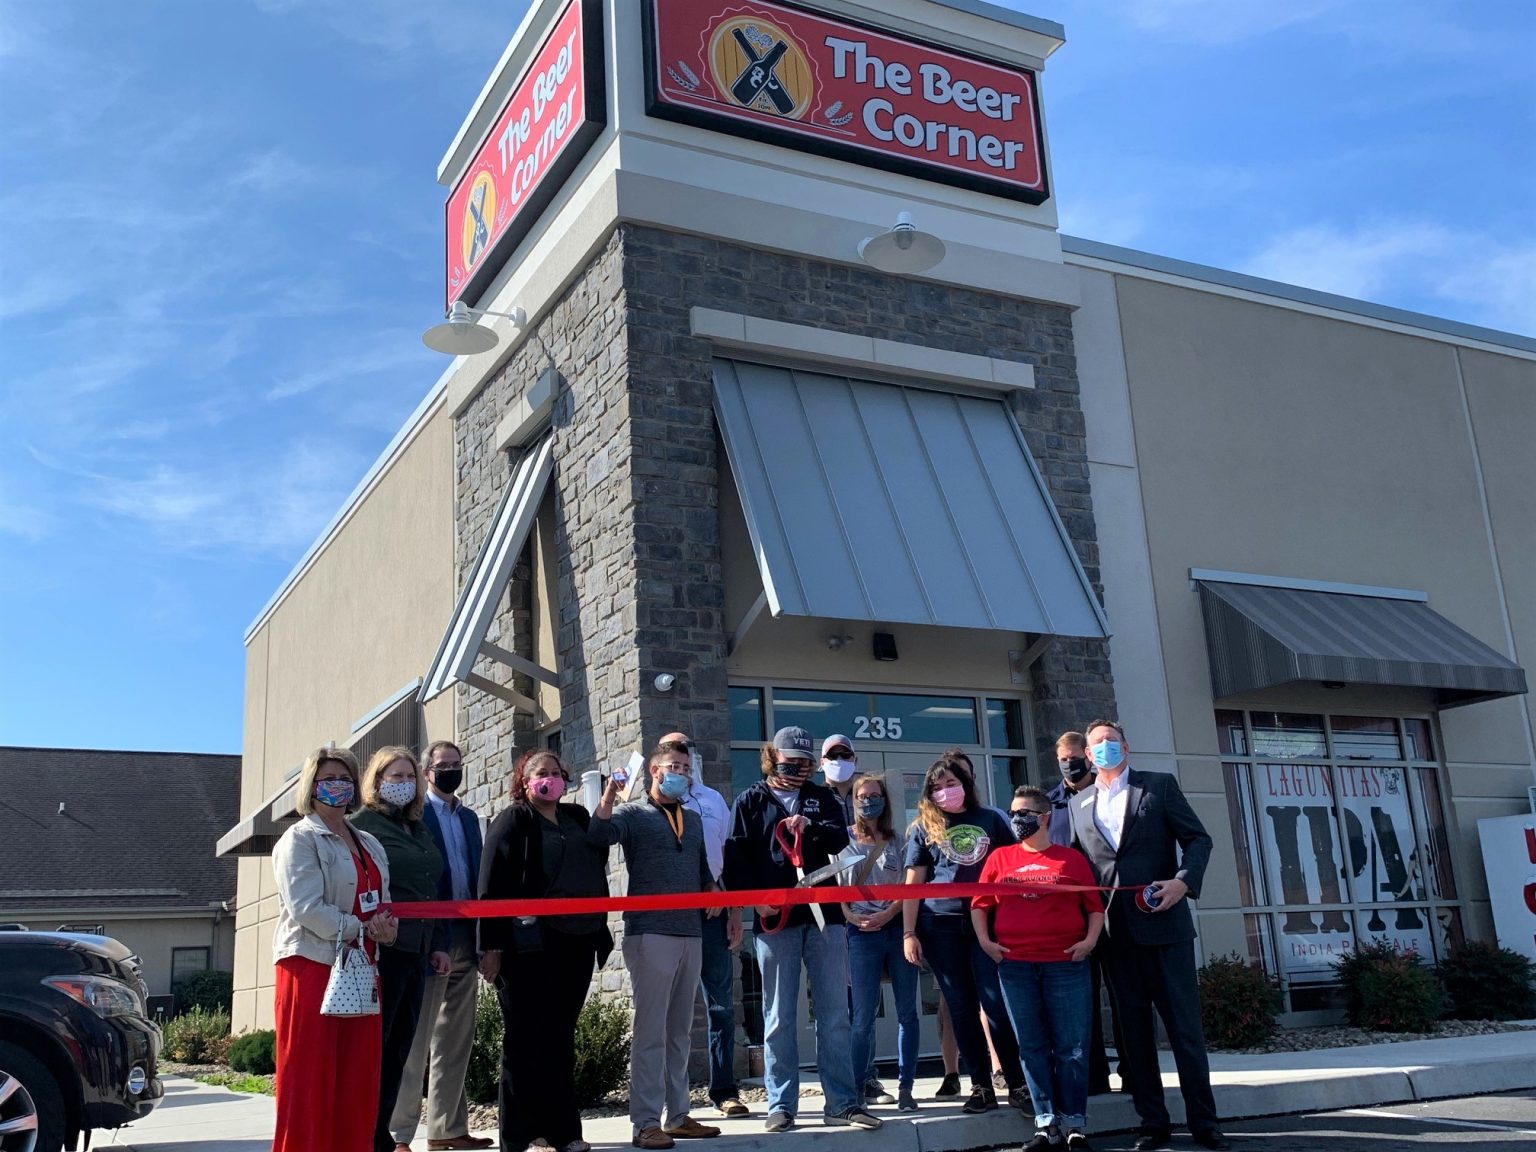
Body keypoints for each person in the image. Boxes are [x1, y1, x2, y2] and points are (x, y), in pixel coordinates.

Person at [1068, 721, 1227, 1152]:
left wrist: (1182, 882)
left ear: (1126, 746)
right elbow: (1081, 870)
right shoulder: (1079, 805)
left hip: (1165, 929)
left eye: (1111, 741)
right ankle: (1153, 1123)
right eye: (1096, 744)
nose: (1104, 749)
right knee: (1133, 1036)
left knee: (1184, 1032)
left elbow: (1198, 839)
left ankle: (1205, 1123)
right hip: (1115, 937)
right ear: (1086, 753)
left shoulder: (1158, 786)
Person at [721, 726, 881, 1133]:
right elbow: (735, 861)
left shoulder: (822, 797)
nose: (799, 769)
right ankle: (781, 1104)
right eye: (791, 762)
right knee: (778, 1016)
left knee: (833, 1015)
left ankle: (843, 1102)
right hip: (775, 923)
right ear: (772, 758)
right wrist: (755, 900)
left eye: (806, 763)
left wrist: (809, 827)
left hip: (824, 918)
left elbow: (841, 839)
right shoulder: (750, 801)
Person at [591, 741, 725, 1150]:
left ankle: (679, 1115)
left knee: (680, 1031)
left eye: (686, 767)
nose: (680, 773)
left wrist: (716, 892)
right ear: (653, 770)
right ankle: (645, 1122)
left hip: (691, 932)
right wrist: (610, 793)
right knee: (650, 1031)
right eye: (673, 766)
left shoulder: (695, 819)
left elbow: (705, 872)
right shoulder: (632, 814)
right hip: (650, 932)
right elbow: (597, 835)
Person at [479, 750, 614, 1152]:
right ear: (523, 780)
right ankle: (520, 1135)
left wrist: (608, 802)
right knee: (524, 1040)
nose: (550, 779)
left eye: (557, 773)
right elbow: (491, 882)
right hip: (527, 946)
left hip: (576, 941)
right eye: (542, 773)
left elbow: (598, 853)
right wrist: (490, 945)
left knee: (559, 1038)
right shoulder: (514, 819)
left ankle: (564, 1133)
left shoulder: (577, 817)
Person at [271, 746, 398, 1152]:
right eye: (329, 779)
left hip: (362, 967)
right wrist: (361, 927)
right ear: (311, 786)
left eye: (345, 778)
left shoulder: (370, 843)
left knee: (357, 1083)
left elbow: (384, 902)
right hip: (310, 965)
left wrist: (385, 929)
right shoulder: (299, 839)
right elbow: (307, 908)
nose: (339, 786)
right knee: (309, 1083)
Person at [974, 786, 1104, 1152]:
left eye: (1024, 814)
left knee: (1072, 1047)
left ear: (1044, 817)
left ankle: (1075, 1124)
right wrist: (985, 942)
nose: (1016, 821)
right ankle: (1046, 1123)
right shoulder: (1000, 858)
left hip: (1066, 964)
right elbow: (980, 904)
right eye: (1013, 813)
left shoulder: (1071, 860)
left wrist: (1090, 941)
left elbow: (1094, 906)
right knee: (1031, 1046)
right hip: (1015, 965)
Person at [901, 754, 1025, 1114]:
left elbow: (1011, 869)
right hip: (940, 927)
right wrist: (909, 932)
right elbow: (914, 883)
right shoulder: (925, 826)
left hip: (986, 923)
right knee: (960, 1008)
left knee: (995, 1005)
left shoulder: (990, 819)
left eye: (951, 784)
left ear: (966, 784)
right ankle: (981, 1086)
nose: (945, 792)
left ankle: (1016, 1082)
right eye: (936, 788)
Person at [390, 740, 492, 1152]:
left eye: (456, 764)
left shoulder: (469, 818)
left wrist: (488, 941)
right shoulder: (415, 816)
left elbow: (479, 876)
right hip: (432, 940)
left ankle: (447, 1129)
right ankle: (399, 1134)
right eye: (442, 765)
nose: (451, 770)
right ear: (426, 772)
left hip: (469, 937)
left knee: (455, 1040)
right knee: (416, 1041)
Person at [350, 747, 452, 1152]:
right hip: (381, 952)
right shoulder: (361, 826)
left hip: (417, 950)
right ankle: (363, 1131)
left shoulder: (419, 827)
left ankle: (381, 1134)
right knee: (375, 1047)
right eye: (395, 776)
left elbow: (432, 889)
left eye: (409, 776)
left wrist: (438, 943)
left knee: (399, 1051)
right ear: (376, 781)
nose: (404, 784)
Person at [661, 732, 749, 1120]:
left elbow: (728, 859)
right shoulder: (652, 804)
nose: (684, 760)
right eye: (675, 753)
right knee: (669, 1011)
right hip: (671, 919)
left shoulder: (713, 800)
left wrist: (733, 910)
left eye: (688, 751)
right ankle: (670, 1099)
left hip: (714, 916)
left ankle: (724, 1091)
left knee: (721, 1007)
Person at [840, 773, 919, 1112]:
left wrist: (887, 916)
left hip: (894, 929)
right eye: (862, 795)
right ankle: (857, 1090)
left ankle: (906, 1088)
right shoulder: (842, 842)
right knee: (862, 1017)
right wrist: (852, 917)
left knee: (908, 1013)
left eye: (874, 795)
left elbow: (908, 888)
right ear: (853, 801)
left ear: (884, 800)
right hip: (859, 933)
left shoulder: (899, 841)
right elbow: (837, 892)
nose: (868, 801)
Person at [1048, 731, 1118, 1097]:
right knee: (1081, 1000)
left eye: (1074, 757)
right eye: (1062, 759)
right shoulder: (1051, 804)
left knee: (1123, 996)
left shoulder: (1108, 796)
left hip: (1113, 910)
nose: (1069, 764)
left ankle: (1133, 1069)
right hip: (1073, 920)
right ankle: (1094, 1077)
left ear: (1088, 757)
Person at [819, 734, 860, 826]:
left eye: (845, 755)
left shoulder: (866, 796)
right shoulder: (814, 799)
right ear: (822, 763)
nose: (839, 759)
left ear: (855, 761)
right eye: (832, 755)